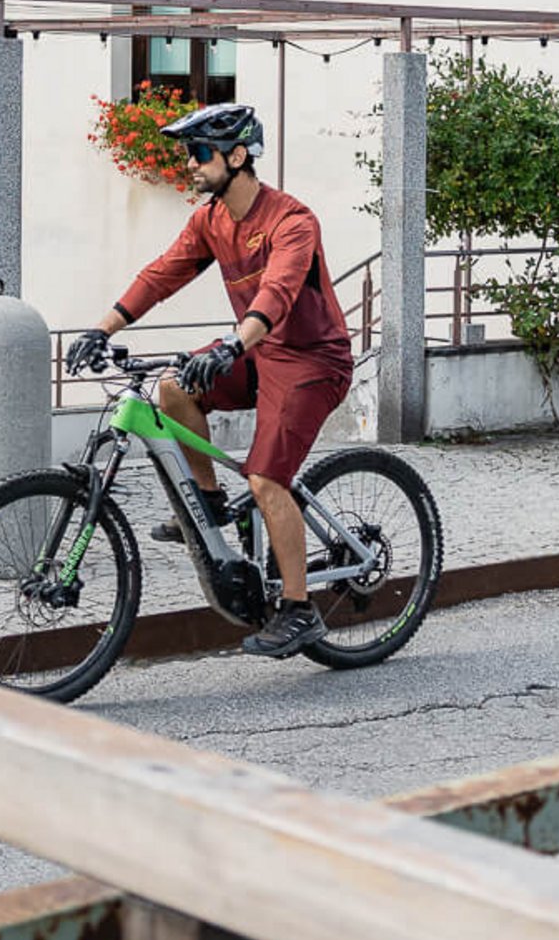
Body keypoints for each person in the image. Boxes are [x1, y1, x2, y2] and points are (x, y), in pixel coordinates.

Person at [64, 101, 354, 660]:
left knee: (268, 481)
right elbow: (160, 276)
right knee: (174, 386)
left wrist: (229, 345)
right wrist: (100, 329)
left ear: (238, 156)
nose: (191, 165)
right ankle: (210, 503)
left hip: (312, 360)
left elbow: (279, 292)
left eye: (200, 153)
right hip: (256, 348)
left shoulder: (292, 221)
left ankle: (299, 610)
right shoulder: (210, 220)